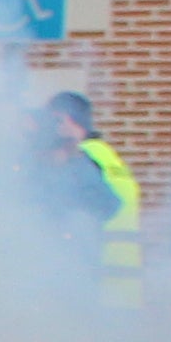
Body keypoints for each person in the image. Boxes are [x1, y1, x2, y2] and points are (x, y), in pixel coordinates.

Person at [45, 90, 143, 302]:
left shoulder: (81, 159)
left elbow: (96, 209)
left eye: (51, 120)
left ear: (65, 118)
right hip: (123, 287)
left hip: (93, 287)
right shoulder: (106, 155)